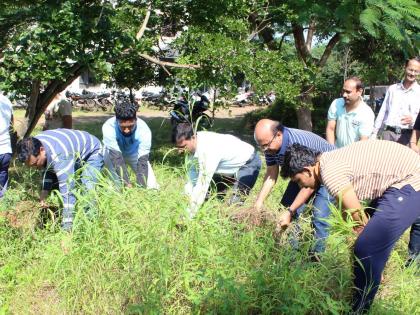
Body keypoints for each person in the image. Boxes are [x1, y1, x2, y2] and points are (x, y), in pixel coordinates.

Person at [280, 141, 420, 313]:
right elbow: (348, 210)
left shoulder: (329, 172)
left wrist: (369, 253)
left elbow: (359, 219)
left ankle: (358, 309)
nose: (302, 186)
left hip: (412, 181)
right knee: (368, 245)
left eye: (299, 181)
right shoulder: (328, 161)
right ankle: (370, 280)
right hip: (398, 181)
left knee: (366, 248)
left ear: (308, 170)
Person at [253, 119, 335, 255]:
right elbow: (272, 173)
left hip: (329, 172)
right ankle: (290, 254)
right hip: (302, 173)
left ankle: (316, 260)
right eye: (262, 147)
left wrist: (291, 211)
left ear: (278, 135)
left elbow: (310, 184)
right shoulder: (270, 145)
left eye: (266, 145)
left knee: (319, 215)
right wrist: (259, 203)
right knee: (284, 210)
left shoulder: (299, 144)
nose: (265, 150)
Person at [16, 129, 103, 231]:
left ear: (41, 150)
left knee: (87, 187)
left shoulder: (61, 156)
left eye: (35, 164)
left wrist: (67, 227)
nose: (35, 168)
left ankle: (91, 225)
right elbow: (48, 168)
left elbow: (67, 191)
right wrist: (44, 192)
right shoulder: (34, 144)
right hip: (70, 150)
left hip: (92, 152)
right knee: (55, 184)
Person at [172, 122, 261, 218]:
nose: (180, 151)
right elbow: (192, 179)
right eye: (177, 147)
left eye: (183, 147)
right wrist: (185, 203)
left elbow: (202, 185)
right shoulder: (192, 146)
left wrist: (188, 216)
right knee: (210, 199)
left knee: (234, 207)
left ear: (193, 137)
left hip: (247, 163)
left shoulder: (208, 149)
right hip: (224, 166)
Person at [102, 101, 158, 189]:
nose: (127, 130)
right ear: (117, 121)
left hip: (134, 153)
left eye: (130, 126)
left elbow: (142, 161)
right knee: (118, 187)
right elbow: (116, 157)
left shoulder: (144, 129)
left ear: (136, 119)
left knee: (152, 187)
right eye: (123, 127)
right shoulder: (108, 127)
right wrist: (126, 182)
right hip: (112, 154)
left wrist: (141, 187)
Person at [371, 57, 420, 144]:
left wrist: (414, 119)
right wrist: (374, 133)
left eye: (416, 71)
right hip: (388, 134)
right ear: (405, 68)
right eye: (410, 70)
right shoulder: (392, 89)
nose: (412, 73)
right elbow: (383, 111)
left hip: (407, 136)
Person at [326, 77, 374, 148]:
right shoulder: (336, 104)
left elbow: (363, 141)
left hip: (355, 154)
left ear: (359, 92)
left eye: (348, 92)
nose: (344, 95)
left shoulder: (367, 113)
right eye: (343, 91)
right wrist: (331, 150)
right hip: (336, 151)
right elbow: (330, 128)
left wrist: (350, 157)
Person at [0, 92, 13, 198]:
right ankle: (2, 200)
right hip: (6, 147)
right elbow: (12, 124)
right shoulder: (7, 101)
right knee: (3, 172)